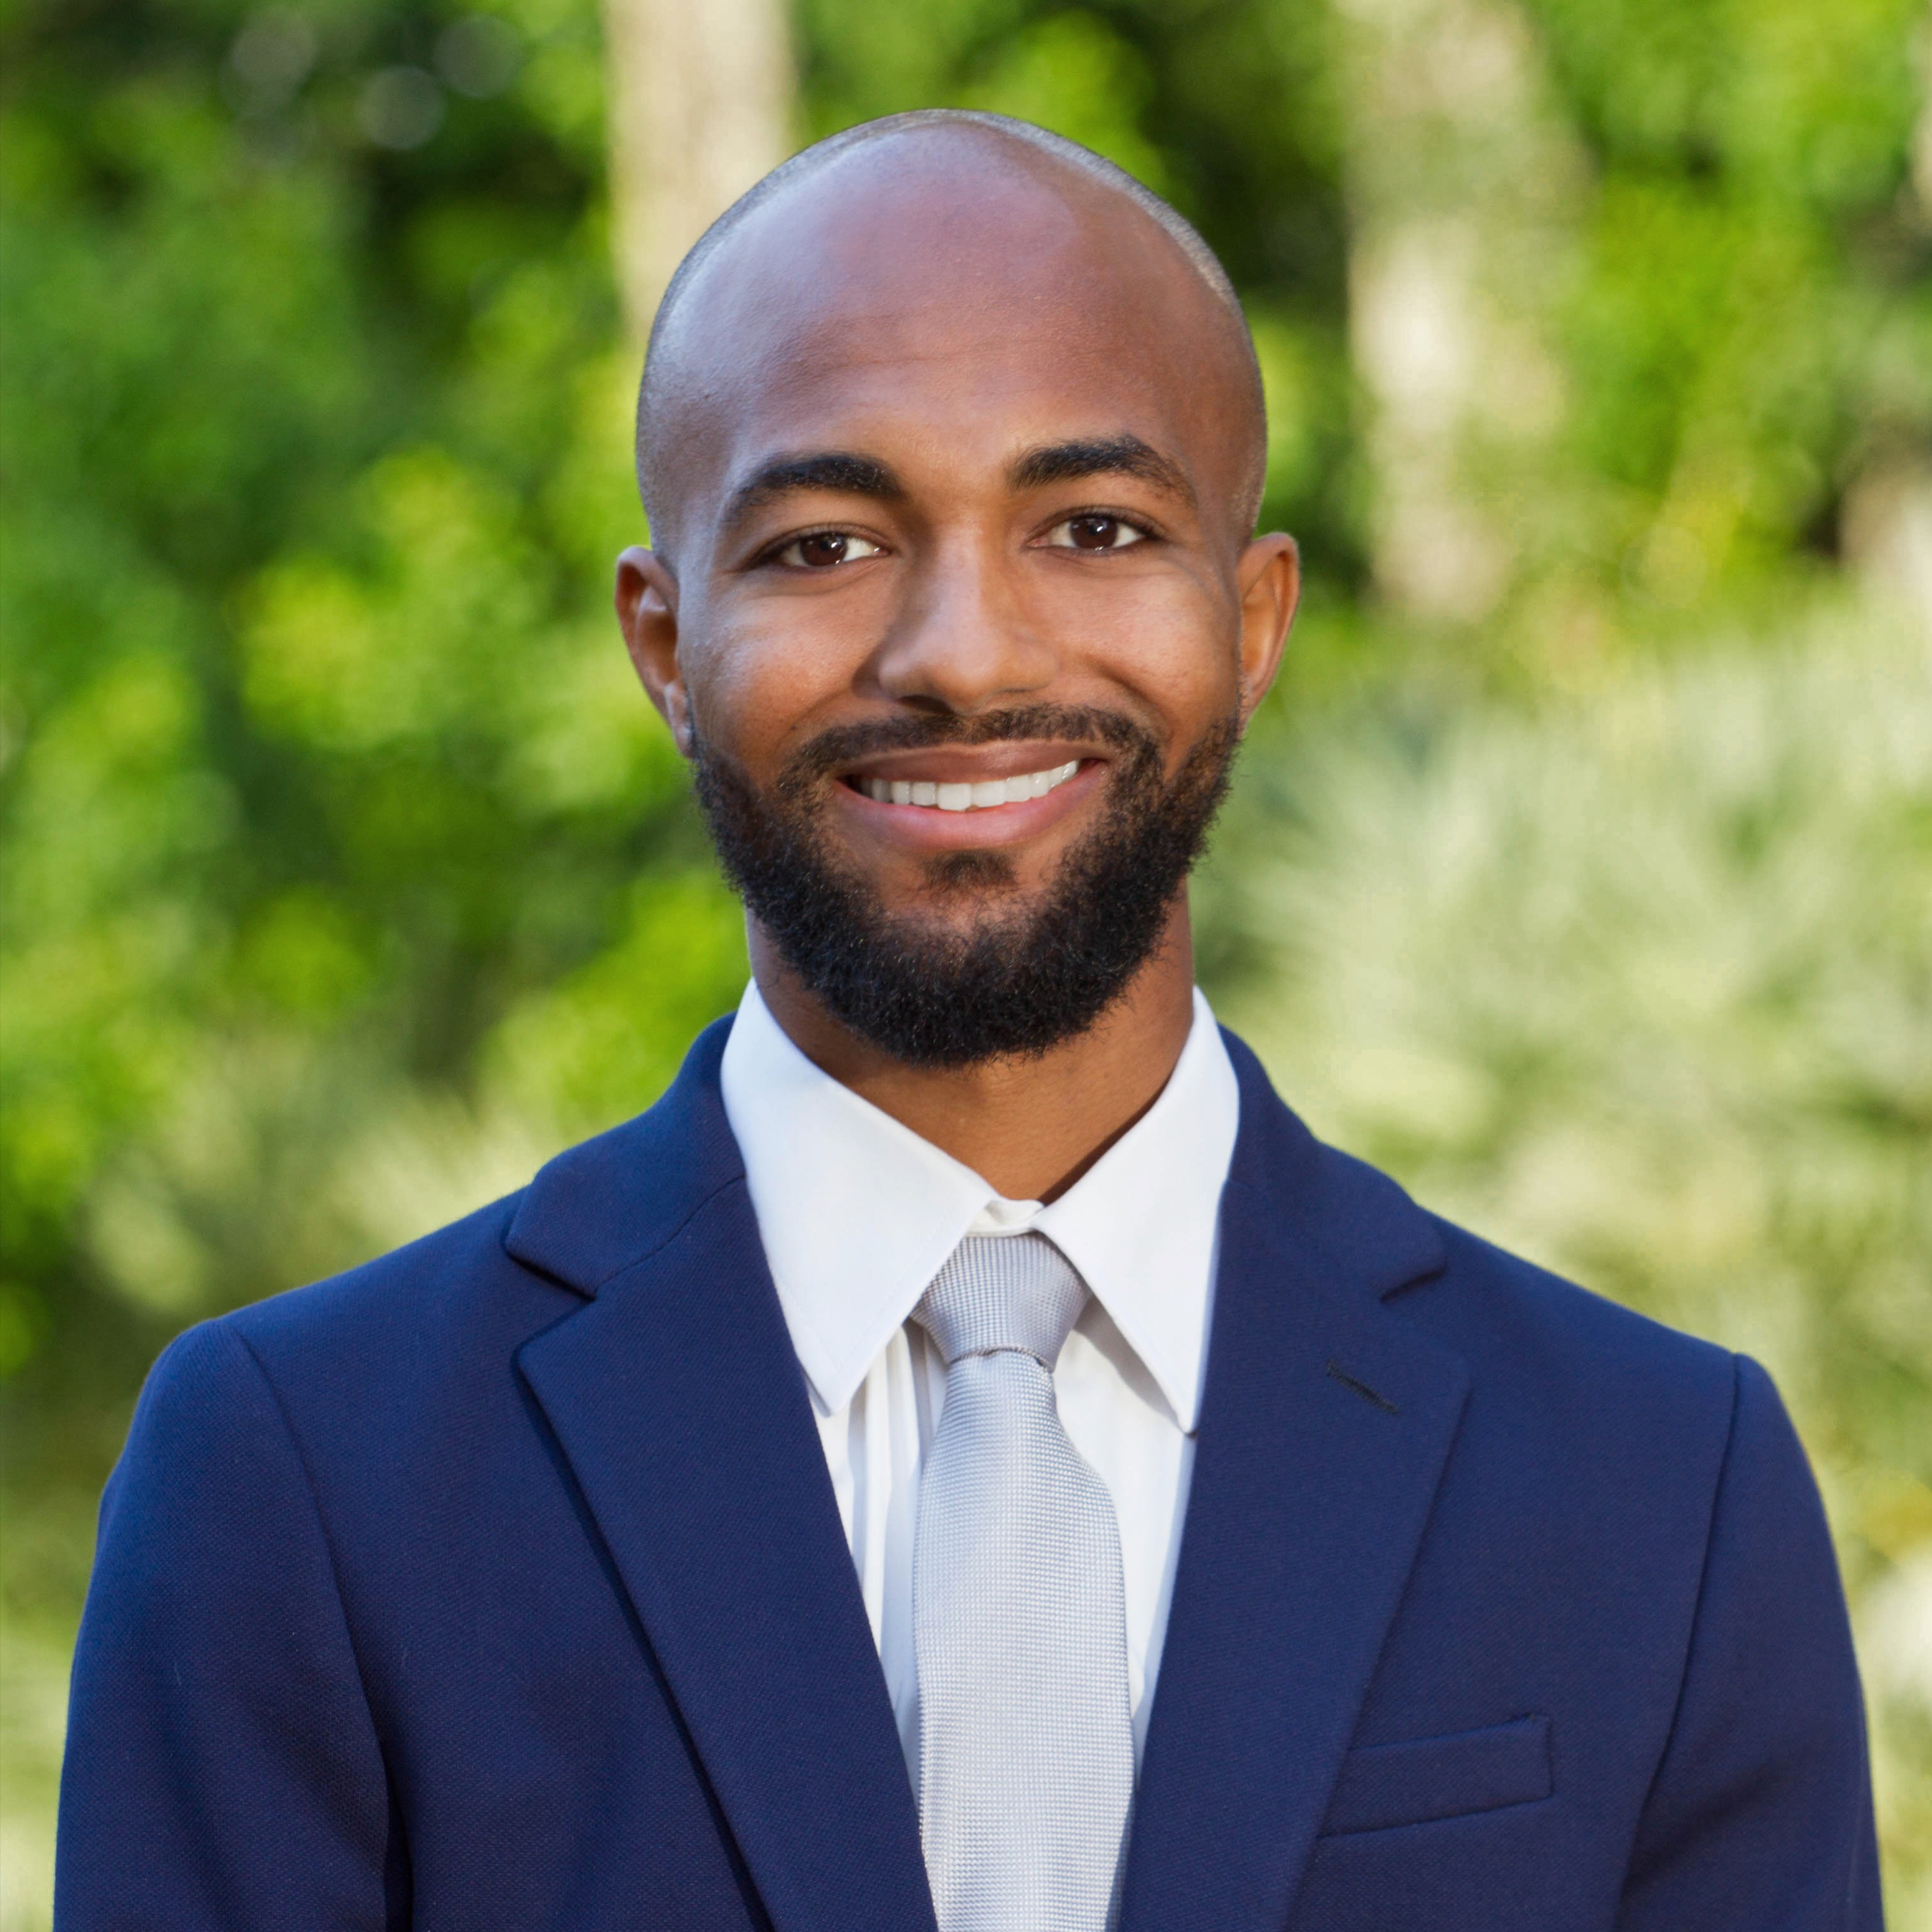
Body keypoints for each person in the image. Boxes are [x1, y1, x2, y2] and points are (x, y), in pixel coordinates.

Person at [57, 111, 1880, 1931]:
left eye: (1092, 526)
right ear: (662, 644)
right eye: (825, 545)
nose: (968, 654)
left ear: (1251, 621)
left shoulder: (1660, 1490)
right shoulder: (302, 1476)